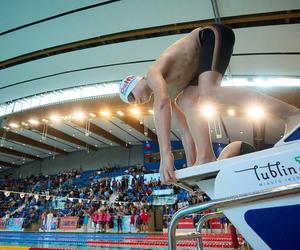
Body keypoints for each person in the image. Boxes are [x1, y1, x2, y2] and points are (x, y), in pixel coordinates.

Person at [119, 24, 300, 184]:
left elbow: (162, 104)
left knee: (208, 94)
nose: (135, 103)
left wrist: (166, 155)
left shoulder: (152, 75)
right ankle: (205, 157)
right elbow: (185, 131)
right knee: (188, 101)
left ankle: (292, 114)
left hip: (210, 36)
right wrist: (193, 168)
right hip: (202, 59)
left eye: (132, 97)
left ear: (135, 83)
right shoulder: (170, 93)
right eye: (131, 103)